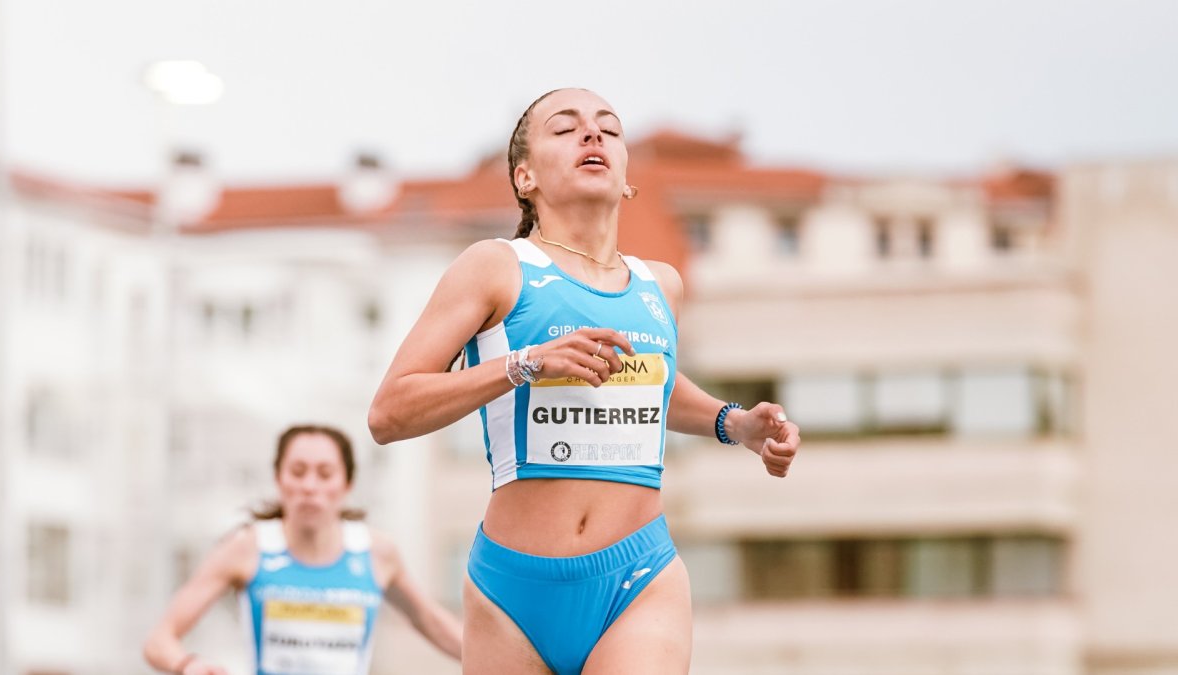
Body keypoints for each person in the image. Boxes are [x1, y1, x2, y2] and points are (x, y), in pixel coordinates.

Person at [367, 88, 800, 675]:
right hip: (511, 592)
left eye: (609, 129)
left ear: (626, 178)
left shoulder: (660, 285)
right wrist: (526, 364)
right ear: (524, 177)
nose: (592, 136)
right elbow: (390, 413)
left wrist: (734, 422)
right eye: (565, 129)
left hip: (638, 578)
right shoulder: (495, 266)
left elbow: (654, 384)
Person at [143, 424, 462, 675]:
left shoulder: (376, 552)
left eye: (325, 474)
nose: (310, 486)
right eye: (298, 472)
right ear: (278, 479)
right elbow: (159, 641)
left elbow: (435, 624)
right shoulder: (248, 547)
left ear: (347, 484)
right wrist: (188, 665)